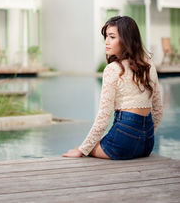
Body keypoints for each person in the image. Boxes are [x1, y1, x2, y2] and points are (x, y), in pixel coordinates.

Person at [62, 16, 163, 160]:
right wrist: (145, 135)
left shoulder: (112, 69)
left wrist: (82, 149)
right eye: (106, 37)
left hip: (124, 139)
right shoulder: (149, 65)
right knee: (92, 145)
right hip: (147, 144)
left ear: (126, 40)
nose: (106, 42)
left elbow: (104, 116)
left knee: (87, 148)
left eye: (112, 37)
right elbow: (158, 109)